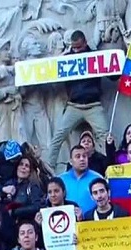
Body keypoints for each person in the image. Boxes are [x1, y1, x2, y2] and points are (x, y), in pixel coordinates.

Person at [46, 30, 109, 168]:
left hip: (94, 105)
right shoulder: (67, 58)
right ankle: (48, 168)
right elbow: (52, 77)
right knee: (58, 136)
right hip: (73, 105)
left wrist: (115, 65)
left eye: (79, 47)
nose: (76, 51)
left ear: (85, 43)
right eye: (74, 48)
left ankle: (110, 167)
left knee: (105, 137)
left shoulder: (95, 57)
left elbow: (113, 75)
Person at [58, 145, 103, 216]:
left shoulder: (98, 178)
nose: (82, 159)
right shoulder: (61, 179)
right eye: (78, 156)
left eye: (84, 156)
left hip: (92, 222)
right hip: (66, 222)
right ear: (70, 161)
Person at [0, 155, 44, 222]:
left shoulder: (32, 186)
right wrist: (2, 190)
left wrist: (14, 212)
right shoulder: (9, 183)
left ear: (30, 171)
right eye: (21, 164)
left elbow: (36, 207)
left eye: (27, 166)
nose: (23, 167)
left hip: (25, 223)